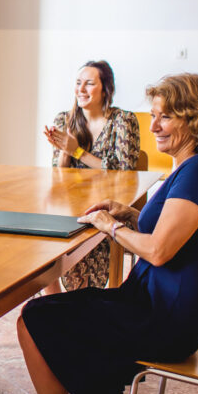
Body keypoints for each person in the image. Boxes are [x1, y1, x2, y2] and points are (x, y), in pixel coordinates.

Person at [4, 73, 198, 394]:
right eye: (155, 115)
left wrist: (112, 227)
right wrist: (131, 215)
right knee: (39, 312)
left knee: (33, 319)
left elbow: (160, 250)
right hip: (152, 304)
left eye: (165, 118)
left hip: (165, 319)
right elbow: (169, 228)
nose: (155, 126)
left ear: (195, 120)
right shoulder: (192, 168)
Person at [42, 60, 140, 290]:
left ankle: (84, 299)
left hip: (108, 205)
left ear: (106, 89)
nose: (81, 90)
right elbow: (59, 175)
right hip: (70, 203)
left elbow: (123, 172)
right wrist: (65, 150)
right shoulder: (64, 119)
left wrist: (77, 150)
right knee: (43, 236)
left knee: (87, 233)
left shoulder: (123, 121)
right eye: (78, 83)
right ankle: (55, 305)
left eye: (89, 84)